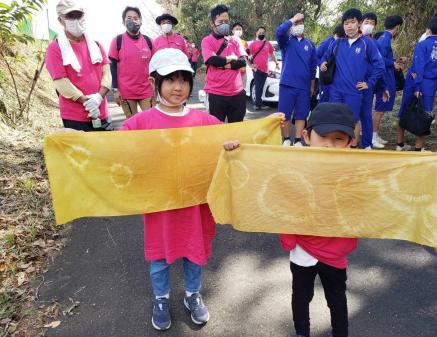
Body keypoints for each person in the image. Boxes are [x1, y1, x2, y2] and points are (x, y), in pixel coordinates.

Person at [223, 103, 358, 337]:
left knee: (336, 299)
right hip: (303, 247)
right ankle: (301, 332)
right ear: (306, 136)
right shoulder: (292, 161)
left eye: (339, 138)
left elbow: (397, 175)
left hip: (336, 250)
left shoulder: (359, 168)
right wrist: (237, 149)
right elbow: (262, 165)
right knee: (301, 296)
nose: (329, 144)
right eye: (323, 136)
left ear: (351, 141)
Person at [120, 48, 221, 330]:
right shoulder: (140, 123)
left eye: (184, 80)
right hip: (160, 205)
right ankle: (161, 298)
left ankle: (192, 294)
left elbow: (229, 140)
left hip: (194, 205)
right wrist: (76, 138)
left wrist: (263, 129)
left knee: (193, 251)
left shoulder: (204, 121)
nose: (178, 87)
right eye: (170, 79)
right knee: (160, 256)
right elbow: (111, 150)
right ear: (154, 83)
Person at [320, 8, 384, 147]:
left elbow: (379, 65)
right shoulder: (337, 43)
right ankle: (337, 147)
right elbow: (325, 56)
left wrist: (369, 83)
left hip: (354, 91)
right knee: (336, 120)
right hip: (335, 90)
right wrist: (323, 63)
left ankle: (352, 147)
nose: (349, 26)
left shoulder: (367, 43)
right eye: (346, 23)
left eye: (352, 22)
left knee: (352, 121)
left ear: (359, 23)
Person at [45, 0, 111, 132]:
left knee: (104, 151)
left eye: (78, 15)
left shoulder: (96, 46)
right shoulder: (55, 48)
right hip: (75, 117)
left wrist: (98, 98)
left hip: (101, 112)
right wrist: (86, 101)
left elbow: (106, 74)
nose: (75, 19)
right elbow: (61, 83)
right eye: (70, 16)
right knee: (81, 152)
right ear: (60, 20)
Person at [396, 17, 437, 152]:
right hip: (430, 85)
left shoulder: (422, 44)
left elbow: (418, 67)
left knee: (405, 110)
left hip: (414, 82)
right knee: (426, 115)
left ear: (429, 30)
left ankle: (399, 144)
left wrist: (418, 85)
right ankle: (418, 148)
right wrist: (430, 75)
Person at [201, 4, 247, 123]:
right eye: (221, 21)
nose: (224, 24)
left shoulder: (235, 40)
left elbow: (242, 62)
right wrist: (231, 58)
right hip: (216, 94)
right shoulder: (207, 41)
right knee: (216, 130)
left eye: (226, 21)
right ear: (212, 23)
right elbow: (212, 60)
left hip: (237, 93)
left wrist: (225, 64)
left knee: (236, 130)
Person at [276, 13, 316, 147]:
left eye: (300, 23)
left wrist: (312, 86)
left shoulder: (310, 45)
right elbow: (279, 31)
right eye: (295, 24)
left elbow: (312, 68)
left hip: (304, 87)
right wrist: (292, 19)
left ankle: (298, 140)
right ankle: (286, 139)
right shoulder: (286, 41)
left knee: (301, 114)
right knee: (285, 114)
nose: (298, 26)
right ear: (291, 27)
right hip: (287, 84)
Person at [109, 6, 153, 118]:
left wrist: (157, 89)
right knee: (133, 123)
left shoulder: (149, 41)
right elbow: (113, 66)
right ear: (123, 21)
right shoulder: (117, 41)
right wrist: (115, 90)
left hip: (147, 90)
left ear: (141, 21)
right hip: (126, 92)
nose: (132, 20)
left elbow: (155, 66)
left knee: (151, 122)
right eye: (129, 18)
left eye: (136, 18)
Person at [372, 15, 404, 148]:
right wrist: (393, 63)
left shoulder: (385, 38)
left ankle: (375, 134)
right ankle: (373, 136)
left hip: (386, 76)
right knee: (380, 108)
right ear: (397, 27)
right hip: (384, 78)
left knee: (382, 108)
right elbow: (379, 59)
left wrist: (395, 60)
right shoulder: (384, 39)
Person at [359, 12, 380, 149]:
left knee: (366, 115)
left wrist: (371, 83)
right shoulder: (346, 39)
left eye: (372, 23)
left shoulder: (373, 43)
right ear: (360, 22)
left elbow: (379, 66)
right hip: (349, 85)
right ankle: (349, 143)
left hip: (366, 86)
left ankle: (367, 143)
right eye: (367, 22)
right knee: (350, 114)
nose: (369, 25)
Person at [248, 26, 280, 110]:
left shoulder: (267, 43)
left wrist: (276, 63)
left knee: (261, 87)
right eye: (260, 32)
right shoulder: (253, 44)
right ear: (256, 33)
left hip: (266, 70)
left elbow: (272, 54)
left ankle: (259, 103)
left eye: (263, 33)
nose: (261, 34)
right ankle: (257, 104)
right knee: (258, 86)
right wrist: (250, 65)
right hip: (257, 69)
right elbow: (246, 54)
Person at [316, 25, 345, 103]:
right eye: (338, 36)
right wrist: (321, 64)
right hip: (326, 76)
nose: (339, 39)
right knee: (324, 100)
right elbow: (315, 55)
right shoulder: (328, 42)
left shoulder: (344, 43)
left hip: (337, 79)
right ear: (334, 34)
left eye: (342, 37)